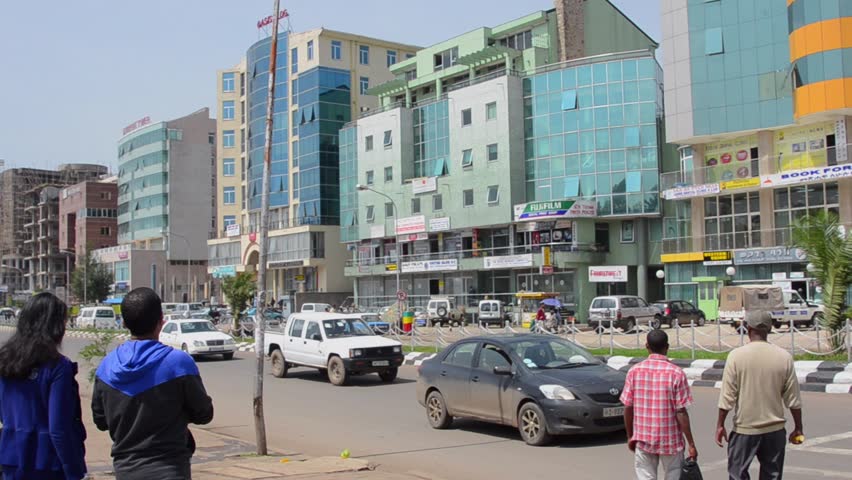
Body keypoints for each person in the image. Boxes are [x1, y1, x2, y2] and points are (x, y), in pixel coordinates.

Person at [92, 287, 214, 480]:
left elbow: (100, 421)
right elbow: (204, 414)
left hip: (125, 470)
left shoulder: (106, 367)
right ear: (161, 321)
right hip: (171, 469)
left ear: (124, 323)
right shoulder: (178, 363)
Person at [0, 293, 87, 480]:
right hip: (47, 463)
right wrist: (74, 472)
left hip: (11, 459)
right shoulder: (58, 367)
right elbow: (59, 428)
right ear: (54, 327)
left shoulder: (4, 361)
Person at [716, 310, 803, 480]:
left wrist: (720, 424)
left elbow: (727, 397)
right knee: (772, 475)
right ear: (769, 329)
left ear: (748, 328)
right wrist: (798, 427)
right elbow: (793, 399)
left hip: (745, 429)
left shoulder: (736, 356)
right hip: (775, 430)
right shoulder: (784, 357)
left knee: (737, 474)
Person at [621, 329, 697, 480]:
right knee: (673, 475)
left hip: (643, 439)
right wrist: (691, 443)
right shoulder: (676, 373)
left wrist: (630, 436)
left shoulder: (634, 371)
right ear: (667, 347)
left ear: (646, 346)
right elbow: (681, 412)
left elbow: (628, 407)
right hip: (671, 441)